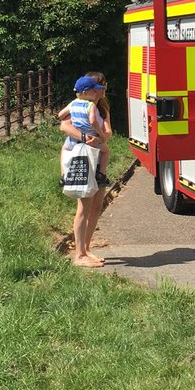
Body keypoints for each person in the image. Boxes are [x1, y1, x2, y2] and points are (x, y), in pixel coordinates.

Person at [60, 71, 112, 268]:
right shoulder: (80, 107)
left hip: (97, 160)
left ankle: (86, 249)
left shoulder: (102, 109)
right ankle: (79, 254)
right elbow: (64, 127)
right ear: (91, 91)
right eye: (102, 86)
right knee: (83, 207)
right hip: (83, 158)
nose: (105, 89)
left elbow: (108, 132)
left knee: (96, 207)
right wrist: (86, 138)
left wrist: (101, 137)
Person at [59, 75, 110, 186]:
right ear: (86, 92)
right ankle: (101, 175)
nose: (104, 88)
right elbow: (92, 122)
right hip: (91, 139)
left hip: (74, 142)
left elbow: (60, 115)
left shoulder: (74, 103)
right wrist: (99, 136)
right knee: (106, 152)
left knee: (65, 149)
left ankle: (64, 176)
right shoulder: (91, 106)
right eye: (101, 86)